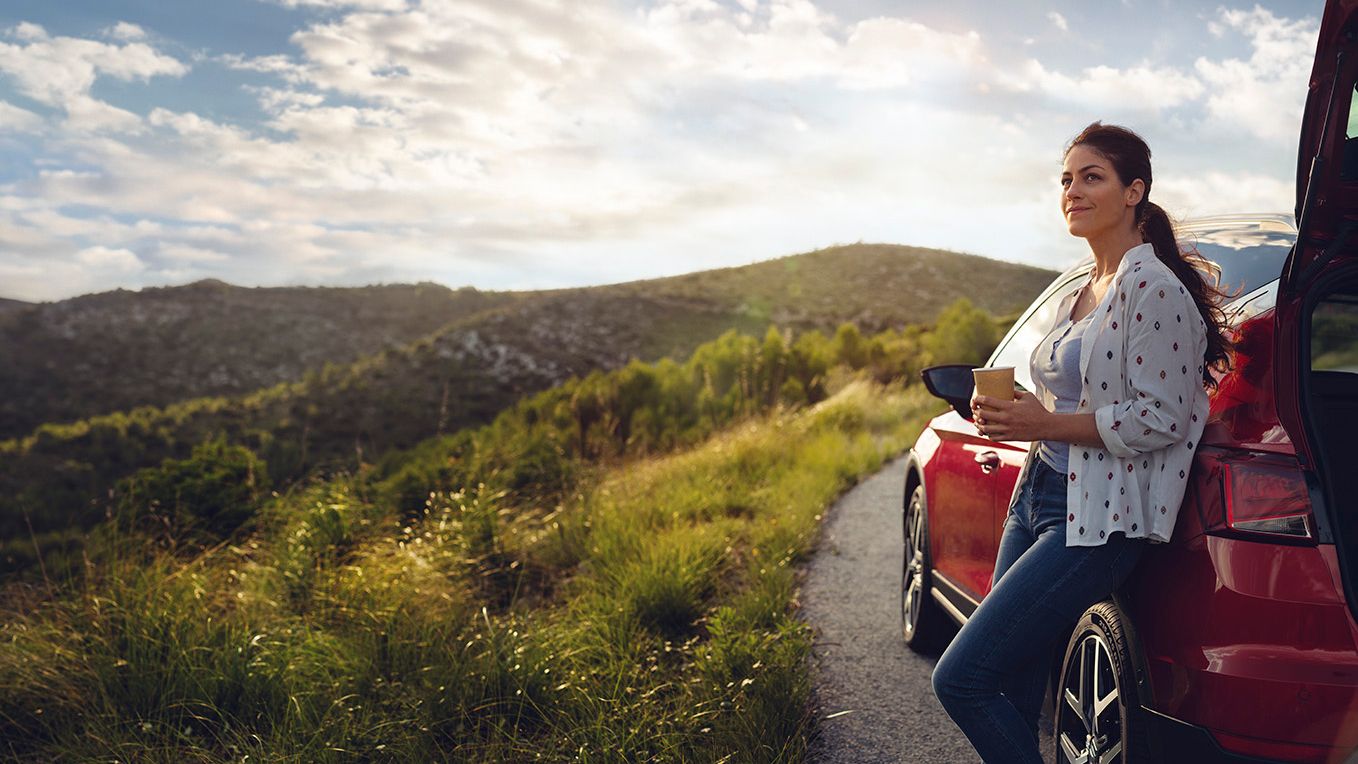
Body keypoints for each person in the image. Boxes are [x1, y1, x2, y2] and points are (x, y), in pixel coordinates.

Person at [929, 122, 1236, 762]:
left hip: (1099, 518)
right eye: (1066, 179)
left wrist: (1043, 424)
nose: (1072, 190)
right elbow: (1079, 397)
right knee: (1009, 689)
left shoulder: (1155, 289)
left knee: (962, 678)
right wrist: (1020, 412)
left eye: (1091, 177)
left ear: (1134, 191)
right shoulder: (1081, 290)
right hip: (1038, 492)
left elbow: (1161, 418)